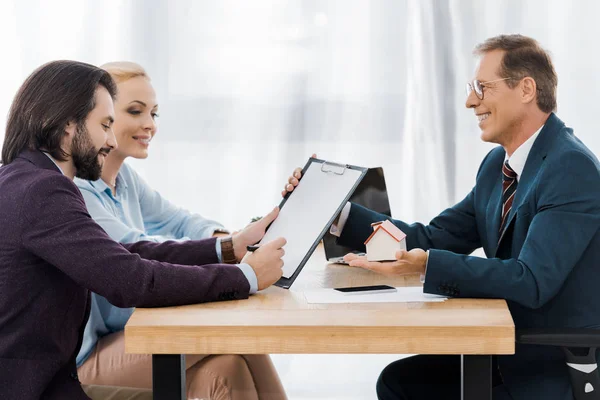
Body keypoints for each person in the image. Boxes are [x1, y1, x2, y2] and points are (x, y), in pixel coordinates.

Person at [285, 34, 600, 400]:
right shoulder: (498, 165)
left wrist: (424, 267)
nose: (470, 101)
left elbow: (530, 280)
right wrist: (337, 214)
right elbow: (431, 239)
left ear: (526, 89)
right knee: (397, 382)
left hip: (549, 367)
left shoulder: (570, 168)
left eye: (482, 87)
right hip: (504, 347)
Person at [0, 60, 286, 400]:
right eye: (105, 125)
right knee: (231, 351)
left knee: (230, 366)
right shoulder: (44, 191)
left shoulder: (28, 180)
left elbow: (128, 253)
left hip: (50, 383)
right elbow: (131, 279)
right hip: (39, 389)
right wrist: (245, 278)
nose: (109, 139)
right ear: (66, 125)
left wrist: (228, 249)